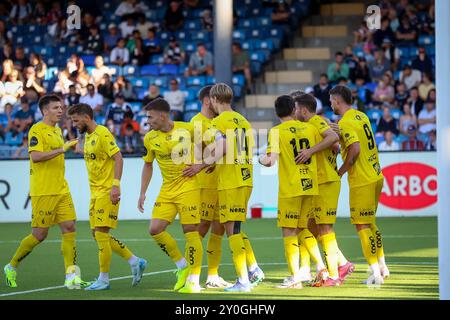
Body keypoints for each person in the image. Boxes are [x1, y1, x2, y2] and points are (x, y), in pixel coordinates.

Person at [3, 94, 88, 289]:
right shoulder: (36, 130)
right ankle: (12, 266)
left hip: (61, 188)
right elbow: (35, 157)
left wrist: (84, 144)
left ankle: (71, 275)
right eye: (56, 107)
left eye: (61, 107)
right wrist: (61, 150)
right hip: (44, 191)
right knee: (39, 235)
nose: (61, 110)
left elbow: (71, 150)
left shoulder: (57, 130)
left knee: (69, 227)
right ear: (44, 111)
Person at [67, 103, 147, 290]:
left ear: (86, 117)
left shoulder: (103, 133)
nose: (74, 124)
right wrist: (72, 147)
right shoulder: (88, 136)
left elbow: (118, 157)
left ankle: (104, 279)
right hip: (95, 193)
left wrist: (115, 185)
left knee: (101, 234)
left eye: (76, 120)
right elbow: (92, 154)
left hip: (107, 191)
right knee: (97, 235)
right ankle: (135, 261)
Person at [138, 98, 203, 293]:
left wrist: (202, 164)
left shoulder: (189, 128)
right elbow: (148, 165)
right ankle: (182, 266)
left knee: (190, 230)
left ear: (163, 115)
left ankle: (194, 279)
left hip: (189, 186)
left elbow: (215, 145)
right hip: (167, 189)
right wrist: (142, 192)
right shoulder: (150, 138)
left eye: (150, 117)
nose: (147, 121)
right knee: (155, 229)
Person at [206, 83, 264, 292]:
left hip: (231, 181)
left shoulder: (219, 121)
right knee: (234, 229)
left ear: (214, 99)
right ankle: (253, 269)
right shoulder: (243, 121)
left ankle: (243, 281)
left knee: (233, 232)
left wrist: (205, 163)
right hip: (245, 178)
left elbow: (223, 147)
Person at [259, 95, 321, 288]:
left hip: (291, 188)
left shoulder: (277, 132)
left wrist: (260, 158)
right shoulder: (310, 128)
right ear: (294, 110)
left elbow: (270, 162)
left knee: (289, 230)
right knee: (302, 228)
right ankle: (320, 267)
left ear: (276, 112)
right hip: (310, 184)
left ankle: (295, 277)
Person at [328, 85, 388, 286]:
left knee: (362, 225)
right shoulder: (361, 116)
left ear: (337, 101)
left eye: (331, 101)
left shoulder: (345, 123)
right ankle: (382, 266)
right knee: (371, 223)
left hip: (361, 179)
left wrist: (340, 172)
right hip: (376, 175)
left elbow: (354, 150)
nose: (330, 104)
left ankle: (375, 274)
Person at [293, 93, 355, 286]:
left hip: (326, 180)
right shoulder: (315, 124)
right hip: (317, 182)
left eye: (294, 108)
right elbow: (335, 144)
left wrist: (311, 150)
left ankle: (334, 274)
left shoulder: (317, 121)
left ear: (303, 109)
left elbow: (335, 141)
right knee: (309, 225)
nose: (293, 112)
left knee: (324, 227)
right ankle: (342, 263)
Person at [189, 85, 231, 288]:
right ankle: (191, 272)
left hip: (220, 183)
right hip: (204, 184)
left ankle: (213, 276)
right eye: (214, 100)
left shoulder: (217, 122)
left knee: (219, 228)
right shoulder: (196, 123)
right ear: (208, 100)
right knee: (201, 227)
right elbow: (197, 154)